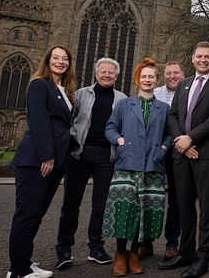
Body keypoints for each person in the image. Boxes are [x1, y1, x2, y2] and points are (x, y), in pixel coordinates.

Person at [103, 57, 195, 276]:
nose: (147, 80)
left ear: (156, 81)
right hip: (127, 164)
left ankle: (134, 254)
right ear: (138, 80)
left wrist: (163, 148)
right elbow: (110, 128)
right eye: (144, 77)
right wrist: (119, 140)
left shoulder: (164, 108)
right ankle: (120, 254)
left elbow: (168, 133)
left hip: (153, 166)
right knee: (125, 211)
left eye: (151, 77)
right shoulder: (124, 104)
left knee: (145, 212)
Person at [159, 42, 209, 278]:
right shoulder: (183, 84)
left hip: (206, 155)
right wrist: (181, 140)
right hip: (182, 154)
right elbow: (173, 115)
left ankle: (203, 258)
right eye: (199, 56)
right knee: (183, 206)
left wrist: (190, 139)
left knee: (207, 208)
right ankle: (186, 252)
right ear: (192, 58)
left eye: (207, 57)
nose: (203, 60)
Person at [7, 45, 76, 278]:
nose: (60, 62)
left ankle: (23, 263)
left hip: (55, 161)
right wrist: (46, 155)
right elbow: (38, 121)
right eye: (56, 58)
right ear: (47, 60)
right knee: (26, 215)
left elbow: (63, 127)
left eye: (64, 58)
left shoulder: (63, 90)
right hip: (38, 160)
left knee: (35, 214)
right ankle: (18, 271)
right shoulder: (39, 84)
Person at [55, 58, 127, 270]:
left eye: (111, 72)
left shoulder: (122, 99)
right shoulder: (80, 94)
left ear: (116, 75)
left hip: (107, 156)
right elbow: (70, 120)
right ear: (96, 74)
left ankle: (96, 247)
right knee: (70, 204)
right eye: (103, 71)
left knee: (101, 206)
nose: (106, 75)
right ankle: (64, 248)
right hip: (80, 155)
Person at [139, 61, 186, 261]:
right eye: (168, 73)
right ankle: (146, 243)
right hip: (157, 152)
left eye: (176, 73)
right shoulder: (155, 93)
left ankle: (172, 244)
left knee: (176, 201)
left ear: (183, 74)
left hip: (180, 152)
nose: (172, 76)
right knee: (150, 197)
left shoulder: (189, 92)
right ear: (163, 76)